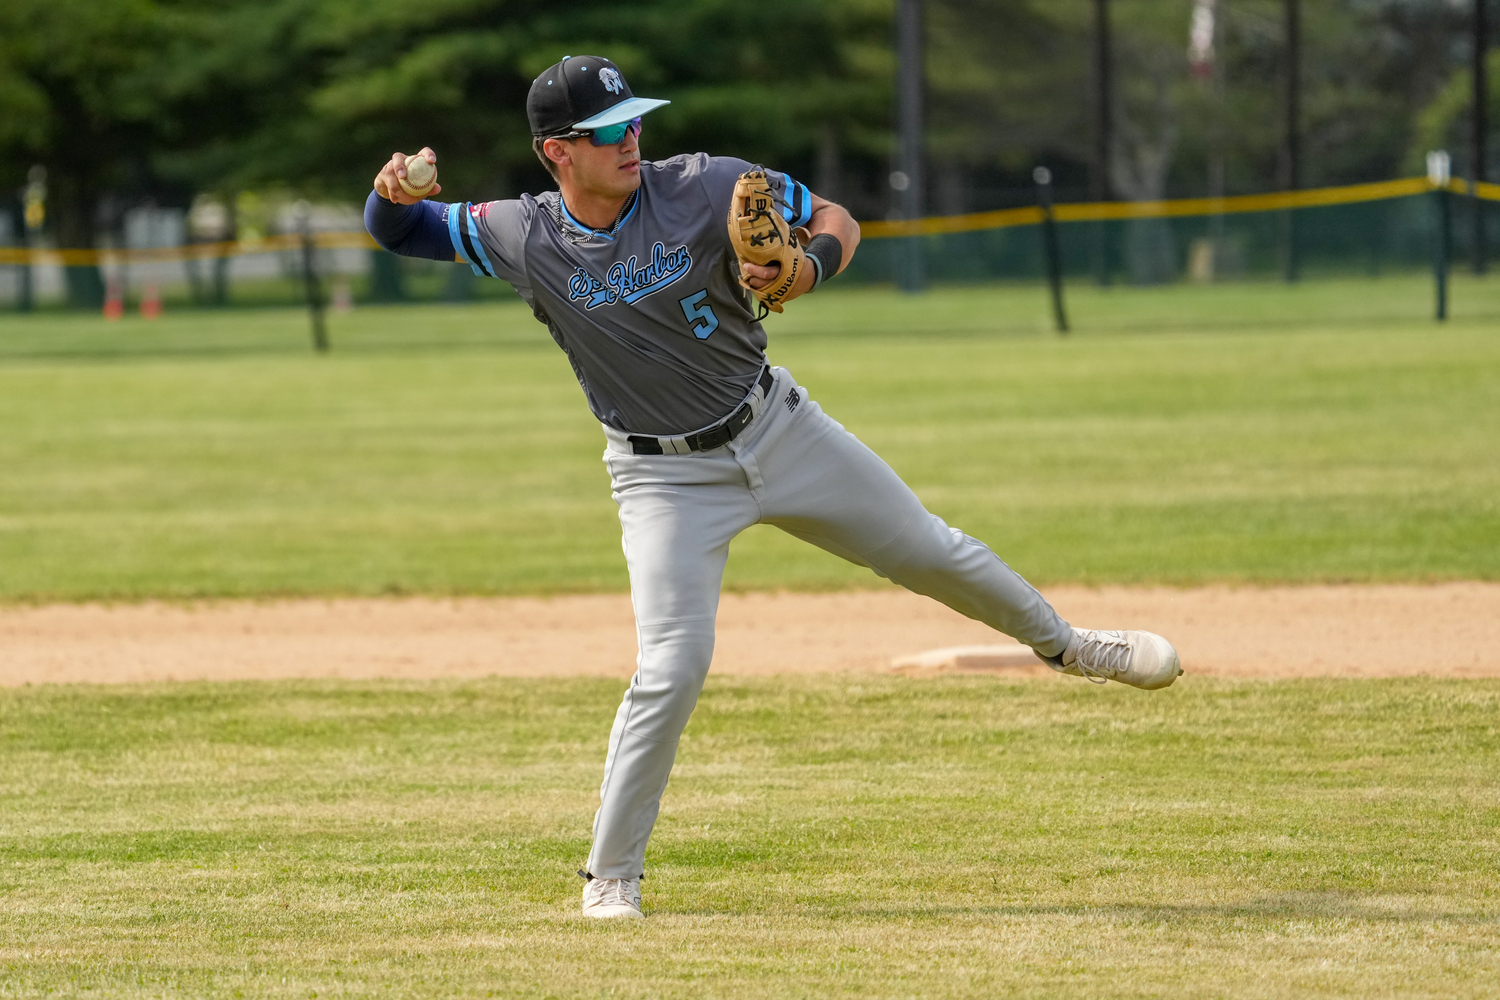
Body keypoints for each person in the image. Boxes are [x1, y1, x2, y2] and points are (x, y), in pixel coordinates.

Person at [365, 55, 1182, 920]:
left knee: (932, 551)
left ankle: (1065, 646)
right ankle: (611, 878)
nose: (632, 138)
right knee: (671, 669)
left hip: (777, 427)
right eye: (609, 131)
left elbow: (835, 217)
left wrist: (810, 268)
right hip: (661, 478)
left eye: (636, 120)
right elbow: (401, 232)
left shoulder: (707, 185)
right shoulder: (520, 233)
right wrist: (392, 191)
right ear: (557, 152)